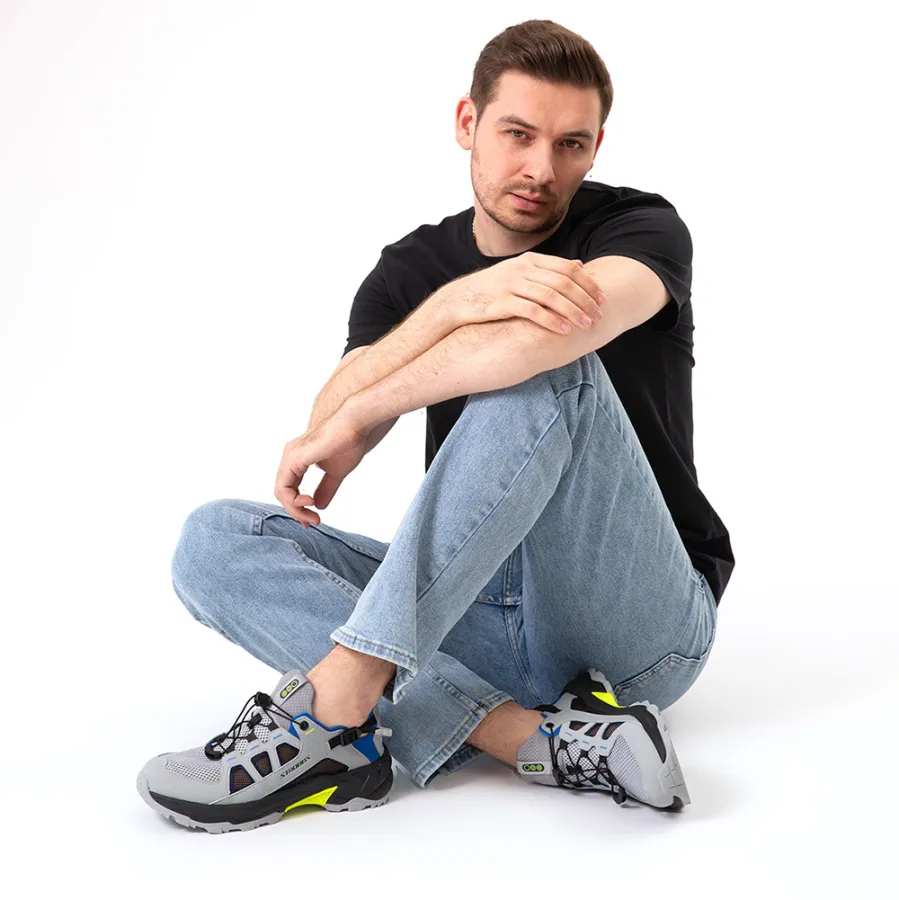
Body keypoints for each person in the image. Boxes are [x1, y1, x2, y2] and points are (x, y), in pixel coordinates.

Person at [136, 19, 735, 833]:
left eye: (569, 144)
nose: (540, 168)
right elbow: (326, 422)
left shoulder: (638, 229)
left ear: (595, 149)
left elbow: (532, 344)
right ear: (467, 123)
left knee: (545, 365)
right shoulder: (410, 270)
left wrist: (374, 402)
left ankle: (339, 705)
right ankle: (523, 737)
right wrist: (457, 303)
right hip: (479, 609)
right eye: (518, 134)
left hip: (639, 628)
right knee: (213, 539)